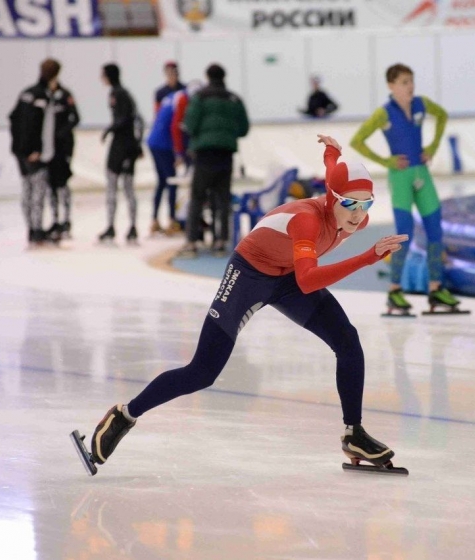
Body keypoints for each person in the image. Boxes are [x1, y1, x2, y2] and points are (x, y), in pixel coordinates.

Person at [77, 135, 409, 474]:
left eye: (366, 204)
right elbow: (309, 280)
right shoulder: (307, 220)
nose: (358, 215)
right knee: (202, 371)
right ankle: (125, 414)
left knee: (348, 342)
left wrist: (332, 151)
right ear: (332, 198)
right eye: (350, 204)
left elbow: (332, 174)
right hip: (250, 273)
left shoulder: (349, 209)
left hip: (289, 274)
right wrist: (369, 257)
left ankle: (353, 433)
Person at [350, 63, 462, 313]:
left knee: (435, 230)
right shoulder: (384, 113)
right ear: (391, 86)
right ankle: (394, 291)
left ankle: (436, 289)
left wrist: (432, 146)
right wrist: (385, 161)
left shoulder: (421, 104)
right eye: (404, 82)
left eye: (411, 81)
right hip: (400, 176)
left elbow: (442, 115)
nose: (410, 86)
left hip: (422, 173)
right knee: (405, 232)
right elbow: (357, 141)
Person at [179, 63, 249, 257]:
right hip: (225, 155)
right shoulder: (234, 99)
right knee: (222, 199)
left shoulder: (199, 98)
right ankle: (220, 241)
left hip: (203, 156)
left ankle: (192, 242)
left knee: (197, 198)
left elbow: (189, 125)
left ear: (207, 77)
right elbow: (243, 129)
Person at [9, 58, 65, 247]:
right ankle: (36, 230)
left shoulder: (28, 92)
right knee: (36, 192)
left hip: (22, 151)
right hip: (34, 152)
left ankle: (32, 229)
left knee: (28, 190)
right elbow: (31, 124)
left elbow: (13, 118)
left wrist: (18, 148)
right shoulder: (41, 96)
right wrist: (34, 149)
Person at [146, 80, 203, 236]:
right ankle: (172, 220)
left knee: (162, 182)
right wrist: (179, 153)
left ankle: (155, 220)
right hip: (164, 144)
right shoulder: (184, 100)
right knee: (172, 182)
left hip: (155, 141)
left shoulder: (174, 96)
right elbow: (176, 127)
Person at [98, 63, 143, 244]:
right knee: (119, 187)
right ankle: (113, 226)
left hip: (123, 146)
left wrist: (110, 129)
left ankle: (130, 226)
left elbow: (127, 120)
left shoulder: (119, 94)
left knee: (124, 188)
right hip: (123, 146)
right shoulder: (121, 93)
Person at [46, 70, 81, 241]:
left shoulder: (65, 95)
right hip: (49, 149)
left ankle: (67, 219)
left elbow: (76, 118)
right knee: (51, 185)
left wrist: (62, 133)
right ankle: (55, 219)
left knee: (63, 183)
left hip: (64, 148)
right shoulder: (45, 96)